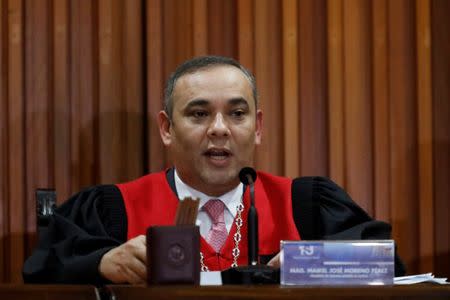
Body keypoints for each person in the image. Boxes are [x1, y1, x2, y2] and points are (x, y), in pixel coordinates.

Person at [23, 56, 405, 284]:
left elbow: (386, 261)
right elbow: (40, 269)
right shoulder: (113, 208)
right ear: (167, 129)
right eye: (199, 113)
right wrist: (102, 263)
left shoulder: (306, 203)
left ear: (256, 128)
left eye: (237, 114)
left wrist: (315, 260)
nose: (219, 128)